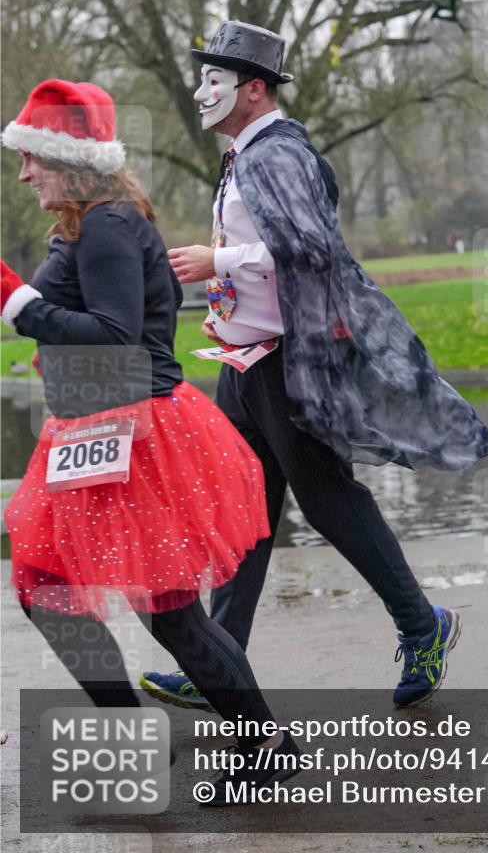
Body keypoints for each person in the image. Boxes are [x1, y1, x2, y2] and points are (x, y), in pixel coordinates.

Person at [142, 21, 488, 712]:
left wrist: (219, 261)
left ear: (253, 89)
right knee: (241, 508)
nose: (202, 89)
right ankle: (220, 659)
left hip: (289, 360)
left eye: (216, 78)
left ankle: (423, 626)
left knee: (330, 501)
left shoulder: (277, 153)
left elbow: (312, 250)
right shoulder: (245, 154)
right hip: (243, 360)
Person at [0, 79, 301, 805]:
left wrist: (16, 302)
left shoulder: (104, 225)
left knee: (165, 613)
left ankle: (261, 746)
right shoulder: (87, 224)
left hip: (135, 434)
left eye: (31, 158)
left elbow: (116, 335)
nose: (21, 173)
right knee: (54, 592)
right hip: (97, 430)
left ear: (66, 159)